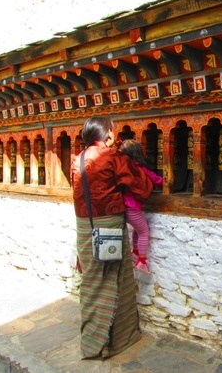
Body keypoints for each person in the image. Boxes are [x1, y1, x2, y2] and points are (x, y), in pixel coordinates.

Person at [71, 116, 153, 360]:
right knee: (116, 280)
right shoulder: (113, 157)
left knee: (92, 281)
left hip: (85, 228)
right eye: (113, 132)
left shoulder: (78, 159)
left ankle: (92, 341)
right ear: (106, 134)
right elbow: (142, 188)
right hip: (109, 227)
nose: (114, 136)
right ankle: (114, 342)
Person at [118, 139, 163, 274]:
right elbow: (157, 180)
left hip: (123, 206)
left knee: (137, 230)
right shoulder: (139, 169)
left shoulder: (124, 168)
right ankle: (142, 262)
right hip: (132, 207)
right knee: (144, 231)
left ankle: (135, 253)